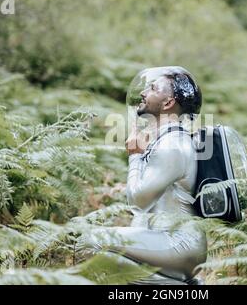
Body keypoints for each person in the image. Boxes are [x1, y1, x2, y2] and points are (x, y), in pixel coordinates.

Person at [84, 66, 207, 284]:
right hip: (165, 240)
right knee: (106, 254)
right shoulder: (164, 139)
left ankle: (179, 285)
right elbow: (144, 214)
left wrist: (135, 156)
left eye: (152, 88)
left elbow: (138, 201)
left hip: (179, 244)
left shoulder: (172, 144)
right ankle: (178, 281)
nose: (143, 93)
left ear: (168, 103)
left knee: (87, 242)